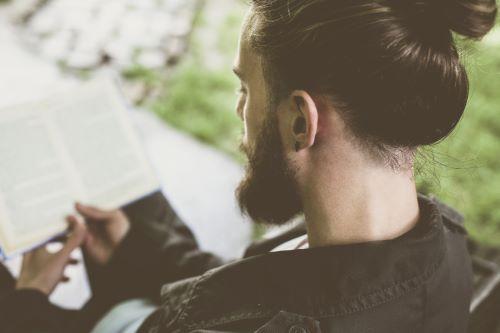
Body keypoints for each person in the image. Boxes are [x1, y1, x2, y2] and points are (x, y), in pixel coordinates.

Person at [0, 0, 497, 332]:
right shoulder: (440, 243)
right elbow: (241, 292)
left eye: (246, 90)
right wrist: (136, 247)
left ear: (301, 122)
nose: (239, 111)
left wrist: (22, 304)